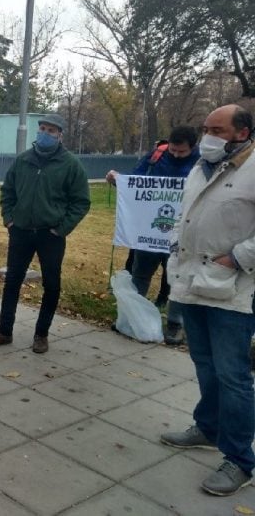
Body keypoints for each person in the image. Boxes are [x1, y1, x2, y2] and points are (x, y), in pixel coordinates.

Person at [160, 104, 255, 496]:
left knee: (233, 375)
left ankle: (240, 460)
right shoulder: (202, 167)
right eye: (205, 128)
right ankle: (208, 427)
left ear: (241, 132)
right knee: (204, 363)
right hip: (191, 282)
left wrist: (238, 257)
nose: (207, 135)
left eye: (216, 128)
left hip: (232, 288)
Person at [0, 114, 90, 354]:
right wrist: (8, 219)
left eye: (51, 130)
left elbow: (81, 202)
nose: (45, 134)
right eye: (42, 128)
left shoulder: (70, 164)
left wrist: (61, 229)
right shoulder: (23, 160)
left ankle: (41, 334)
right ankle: (4, 331)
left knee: (52, 285)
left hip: (50, 235)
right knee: (12, 282)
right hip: (20, 231)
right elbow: (7, 191)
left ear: (60, 135)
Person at [106, 126, 199, 344]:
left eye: (181, 152)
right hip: (149, 231)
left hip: (182, 234)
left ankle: (175, 324)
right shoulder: (157, 155)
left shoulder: (203, 163)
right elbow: (136, 179)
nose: (175, 155)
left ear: (192, 148)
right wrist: (119, 180)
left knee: (177, 280)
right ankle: (132, 318)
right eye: (173, 151)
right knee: (140, 274)